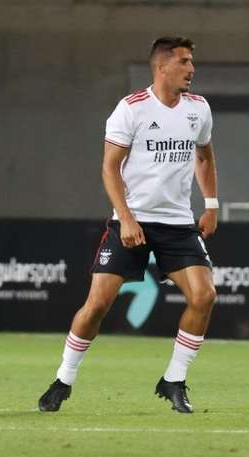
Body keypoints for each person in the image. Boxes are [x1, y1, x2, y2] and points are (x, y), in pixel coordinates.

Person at [38, 36, 218, 414]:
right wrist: (127, 218)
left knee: (204, 296)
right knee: (97, 304)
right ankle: (63, 379)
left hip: (178, 225)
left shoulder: (198, 109)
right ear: (162, 66)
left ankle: (174, 379)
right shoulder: (131, 109)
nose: (192, 69)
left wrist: (212, 205)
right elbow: (109, 167)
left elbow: (204, 157)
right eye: (184, 62)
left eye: (191, 62)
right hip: (131, 221)